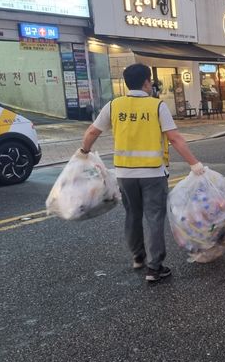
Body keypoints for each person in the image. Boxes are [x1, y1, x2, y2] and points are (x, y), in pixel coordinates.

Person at [79, 63, 205, 282]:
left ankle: (138, 257)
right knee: (154, 218)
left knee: (132, 215)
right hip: (152, 173)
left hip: (125, 174)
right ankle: (154, 268)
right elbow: (174, 138)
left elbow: (92, 131)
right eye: (150, 82)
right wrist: (195, 164)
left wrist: (83, 152)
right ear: (147, 82)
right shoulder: (157, 106)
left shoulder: (113, 105)